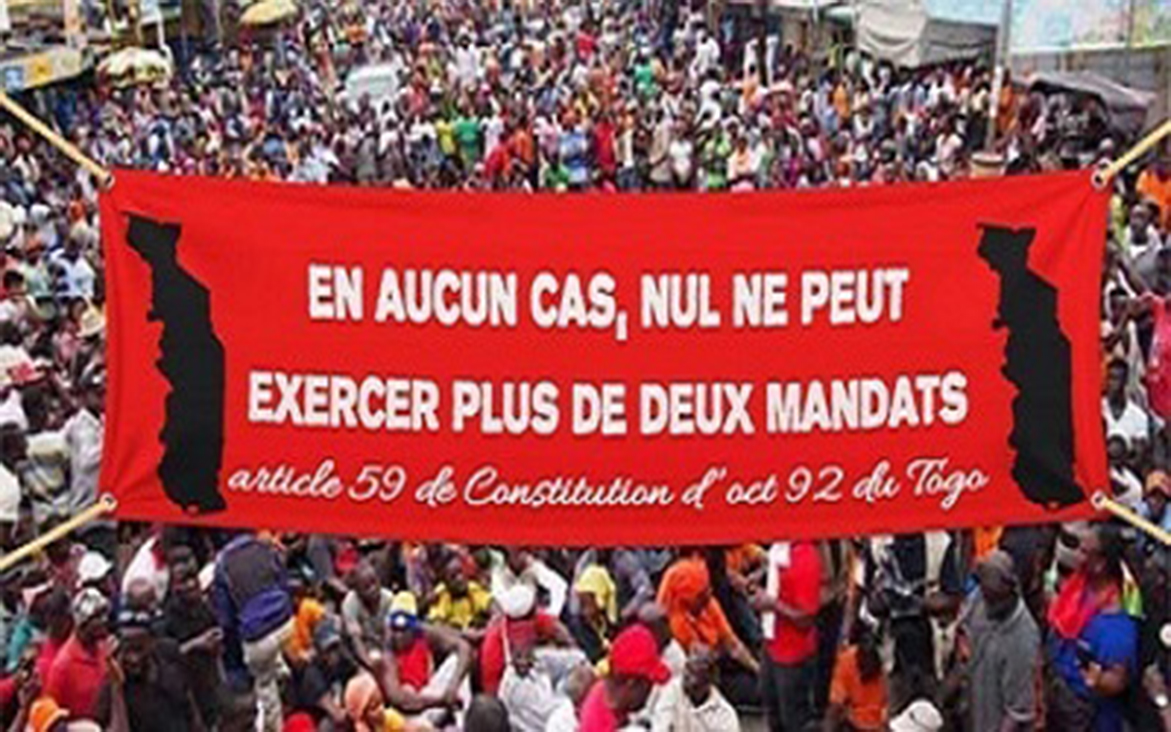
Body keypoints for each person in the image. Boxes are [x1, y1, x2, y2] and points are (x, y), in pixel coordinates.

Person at [1046, 523, 1139, 732]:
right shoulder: (1078, 587)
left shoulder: (1116, 625)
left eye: (1085, 552)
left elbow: (1117, 681)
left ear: (1101, 564)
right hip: (1061, 698)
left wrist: (1098, 681)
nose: (1077, 556)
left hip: (1088, 718)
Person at [211, 533, 294, 732]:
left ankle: (275, 726)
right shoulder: (264, 546)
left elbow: (226, 619)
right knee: (270, 650)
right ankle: (280, 671)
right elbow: (283, 581)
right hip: (286, 622)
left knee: (265, 688)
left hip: (259, 636)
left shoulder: (222, 565)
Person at [963, 550, 1039, 732]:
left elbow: (1017, 713)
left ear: (1009, 589)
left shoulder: (1022, 636)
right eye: (985, 593)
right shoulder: (979, 599)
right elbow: (965, 631)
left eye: (994, 597)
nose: (988, 604)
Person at [96, 608, 203, 731]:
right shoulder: (113, 683)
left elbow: (193, 718)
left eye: (139, 650)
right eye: (127, 651)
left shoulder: (172, 675)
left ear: (151, 644)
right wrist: (116, 689)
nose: (133, 659)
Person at [755, 540, 822, 732]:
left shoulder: (804, 557)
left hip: (793, 655)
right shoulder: (780, 547)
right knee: (772, 711)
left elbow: (806, 619)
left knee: (793, 720)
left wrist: (772, 604)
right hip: (771, 644)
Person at [376, 591, 473, 723]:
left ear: (413, 627)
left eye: (404, 630)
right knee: (407, 692)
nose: (399, 636)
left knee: (456, 661)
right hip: (413, 715)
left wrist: (453, 686)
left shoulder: (423, 633)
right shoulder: (388, 653)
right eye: (396, 630)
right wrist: (441, 701)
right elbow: (400, 699)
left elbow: (464, 647)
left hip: (433, 694)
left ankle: (465, 722)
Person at [579, 624, 672, 732]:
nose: (651, 688)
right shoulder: (599, 719)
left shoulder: (612, 697)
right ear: (631, 683)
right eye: (648, 682)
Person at [44, 588, 110, 721]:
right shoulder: (63, 665)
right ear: (83, 623)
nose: (104, 621)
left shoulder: (105, 650)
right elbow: (50, 714)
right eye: (98, 617)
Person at [650, 645, 740, 732]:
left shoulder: (724, 716)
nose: (686, 674)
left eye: (694, 670)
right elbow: (660, 727)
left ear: (710, 676)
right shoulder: (671, 690)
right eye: (687, 667)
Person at [824, 628, 887, 732]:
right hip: (852, 722)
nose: (867, 667)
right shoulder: (846, 662)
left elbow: (891, 708)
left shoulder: (887, 671)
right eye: (864, 663)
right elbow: (835, 704)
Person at [343, 560, 395, 670]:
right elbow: (356, 640)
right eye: (366, 587)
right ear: (357, 591)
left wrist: (387, 657)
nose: (373, 589)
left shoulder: (388, 598)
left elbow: (389, 634)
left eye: (374, 582)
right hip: (365, 649)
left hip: (387, 644)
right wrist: (368, 663)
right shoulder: (350, 603)